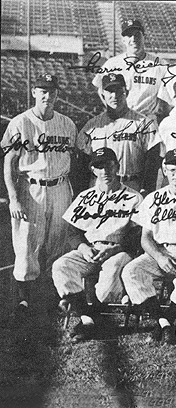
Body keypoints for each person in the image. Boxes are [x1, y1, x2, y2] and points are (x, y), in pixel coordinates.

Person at [2, 74, 83, 319]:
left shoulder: (67, 124)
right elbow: (9, 163)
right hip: (32, 188)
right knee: (27, 242)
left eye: (52, 91)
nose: (48, 96)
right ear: (34, 93)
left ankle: (54, 295)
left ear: (57, 94)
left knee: (58, 241)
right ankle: (24, 300)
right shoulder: (20, 122)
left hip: (60, 187)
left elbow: (75, 162)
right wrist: (14, 198)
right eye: (43, 91)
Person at [121, 149, 176, 344]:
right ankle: (163, 322)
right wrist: (160, 257)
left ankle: (167, 319)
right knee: (131, 271)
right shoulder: (153, 198)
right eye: (172, 170)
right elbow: (145, 238)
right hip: (160, 252)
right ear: (164, 171)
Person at [52, 148, 142, 342]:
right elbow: (72, 232)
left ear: (117, 167)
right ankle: (88, 318)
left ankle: (89, 319)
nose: (105, 171)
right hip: (91, 250)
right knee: (61, 266)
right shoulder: (85, 197)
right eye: (99, 167)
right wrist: (83, 248)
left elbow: (138, 234)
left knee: (105, 291)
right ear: (93, 170)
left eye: (109, 165)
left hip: (119, 250)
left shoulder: (133, 197)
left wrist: (116, 248)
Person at [79, 73, 160, 194]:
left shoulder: (144, 124)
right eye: (110, 91)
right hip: (100, 186)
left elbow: (152, 161)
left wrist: (147, 189)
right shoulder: (92, 126)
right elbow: (83, 162)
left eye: (118, 91)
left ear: (126, 93)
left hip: (131, 184)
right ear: (103, 95)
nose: (114, 95)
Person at [91, 19, 168, 119]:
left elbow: (167, 98)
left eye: (137, 34)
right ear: (123, 40)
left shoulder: (160, 65)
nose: (133, 39)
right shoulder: (112, 64)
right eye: (129, 35)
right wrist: (113, 111)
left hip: (147, 118)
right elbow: (100, 90)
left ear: (144, 37)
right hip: (122, 118)